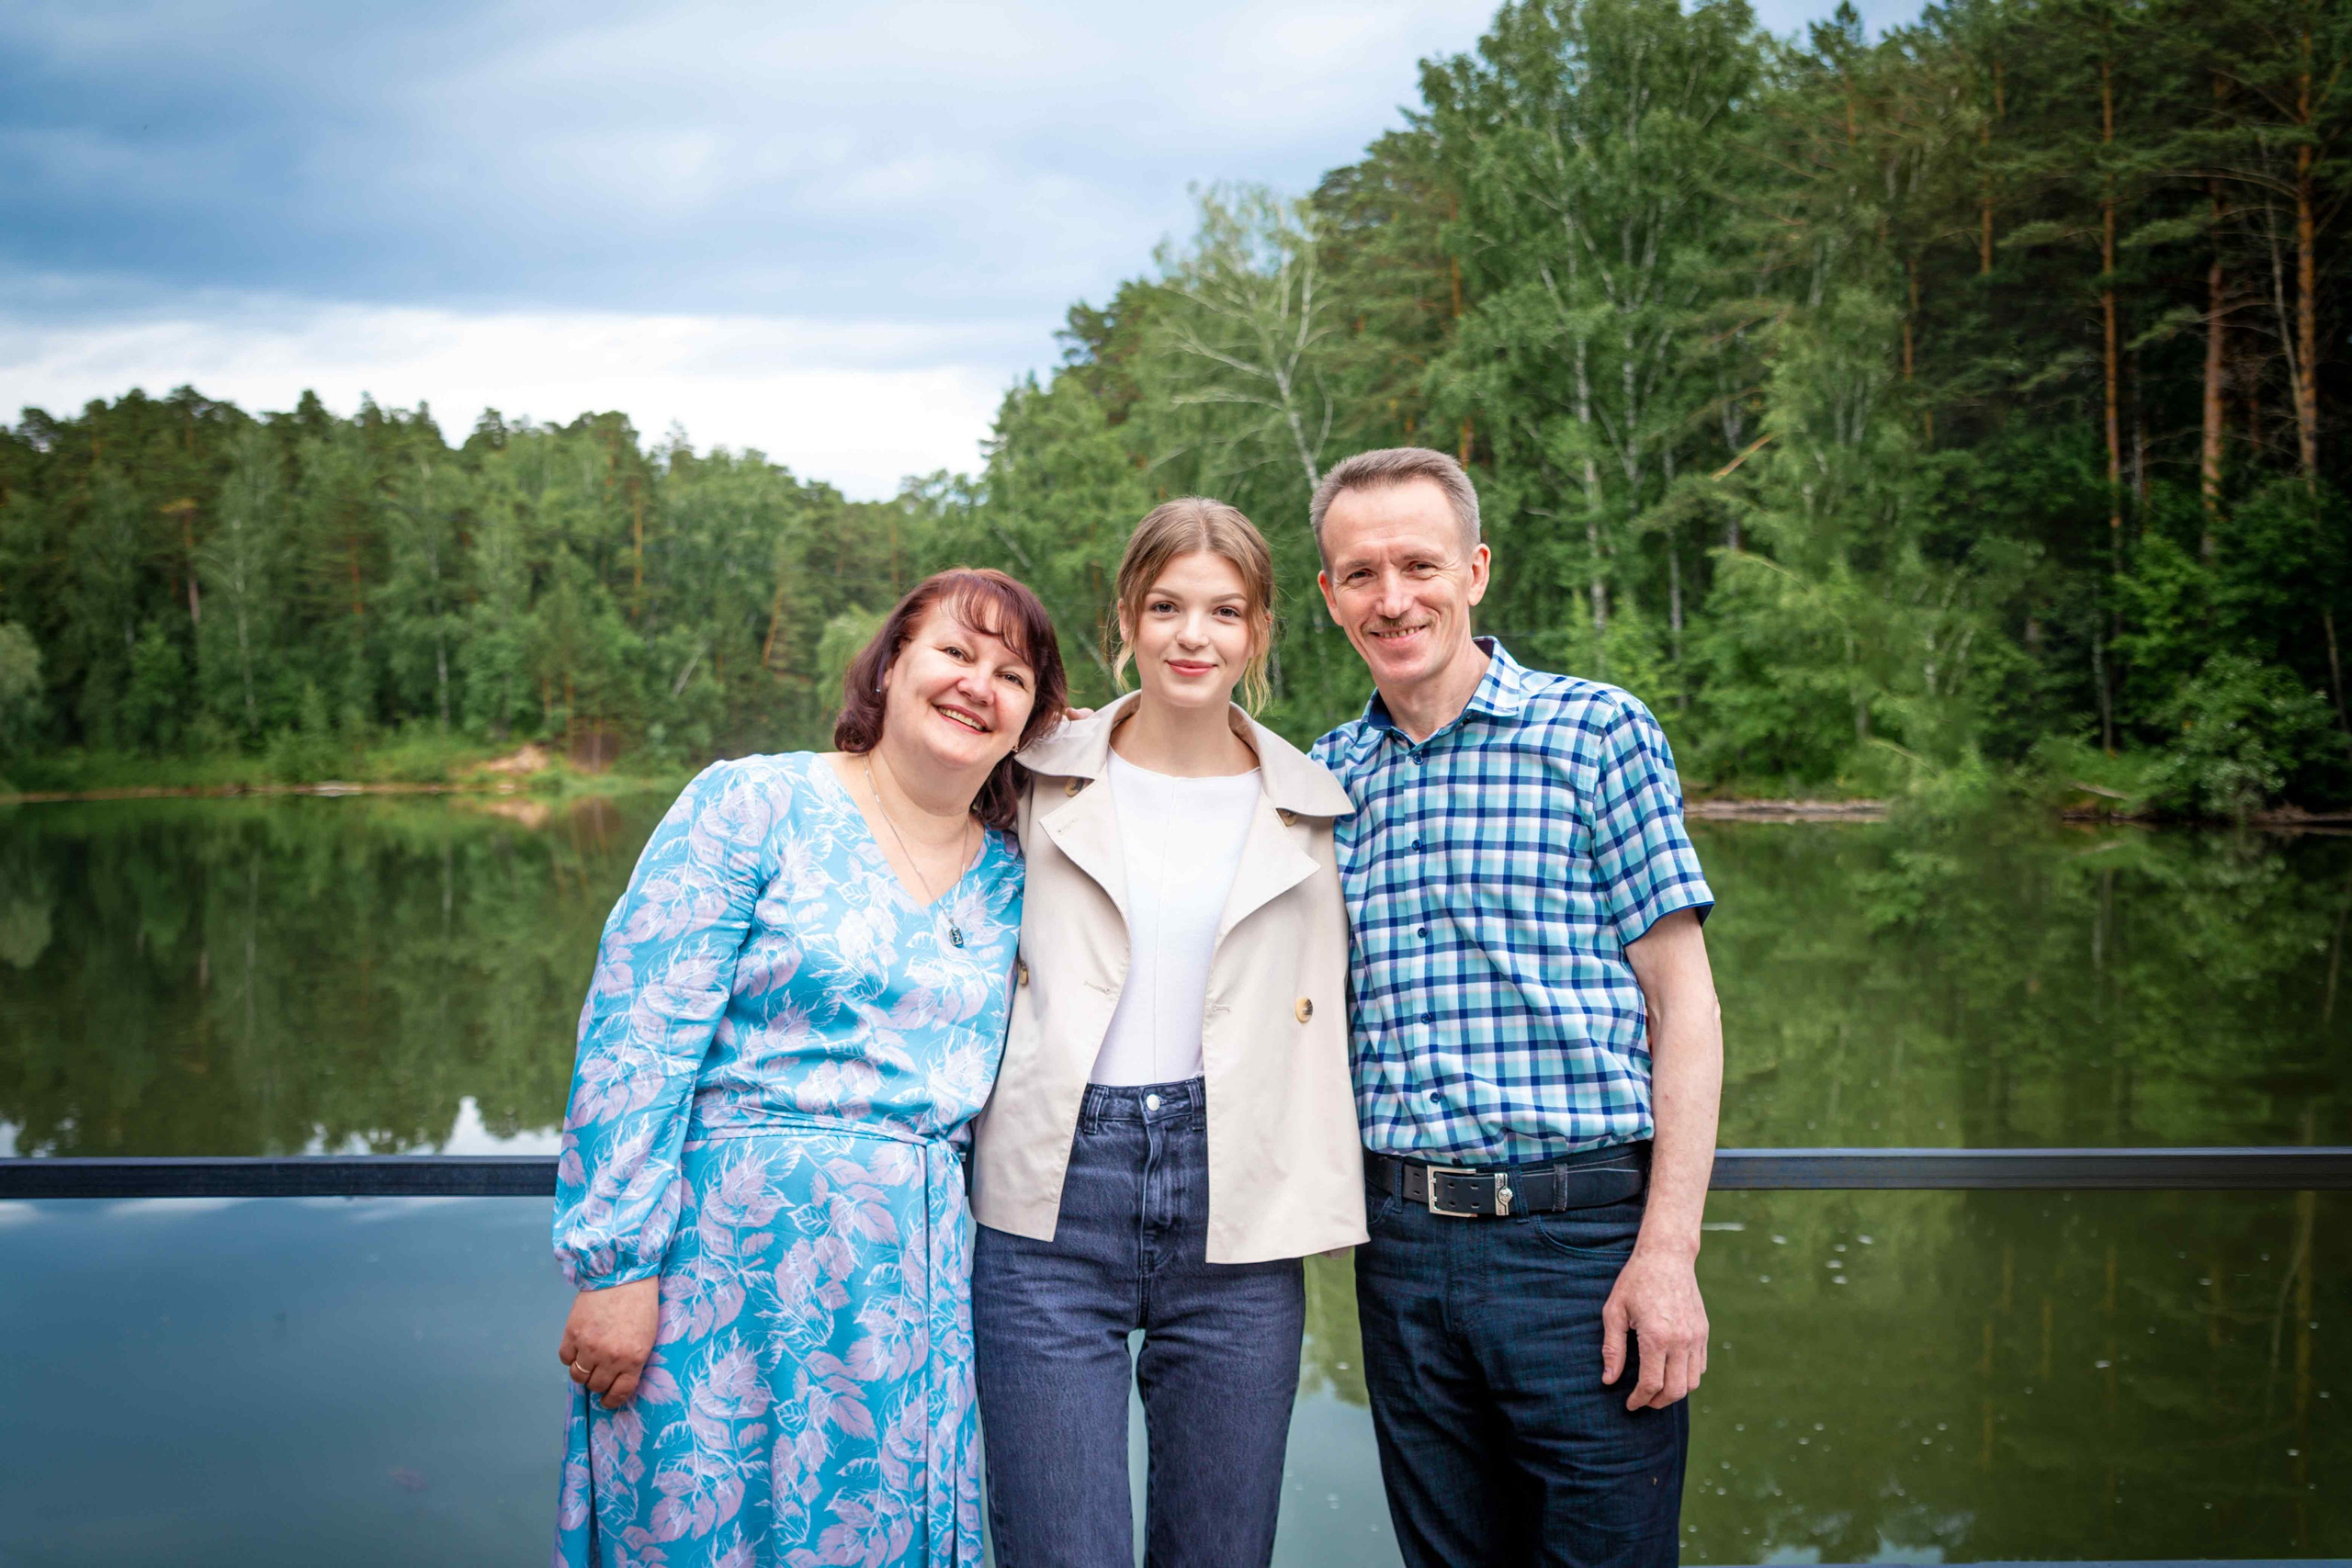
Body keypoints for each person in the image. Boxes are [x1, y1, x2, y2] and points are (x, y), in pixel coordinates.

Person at [549, 568, 1068, 1568]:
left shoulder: (1016, 872)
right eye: (955, 653)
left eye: (1011, 675)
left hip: (907, 1291)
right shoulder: (754, 803)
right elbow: (636, 1038)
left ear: (1032, 720)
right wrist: (615, 1265)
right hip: (717, 1268)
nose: (977, 685)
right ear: (888, 667)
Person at [1306, 447, 1724, 1568]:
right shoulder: (1324, 780)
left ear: (1476, 570)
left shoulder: (1598, 734)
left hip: (1581, 1249)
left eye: (1417, 564)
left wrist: (1666, 1256)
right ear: (1328, 596)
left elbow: (1685, 1002)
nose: (1392, 599)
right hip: (1399, 1256)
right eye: (1359, 574)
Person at [967, 498, 1366, 1568]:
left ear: (1259, 631)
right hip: (1050, 1202)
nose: (1194, 635)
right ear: (1127, 620)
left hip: (1237, 1211)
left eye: (1224, 610)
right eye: (1168, 606)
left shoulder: (1322, 806)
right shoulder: (1028, 773)